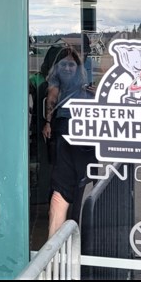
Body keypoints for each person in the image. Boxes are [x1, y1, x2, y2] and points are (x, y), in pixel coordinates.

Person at [41, 45, 96, 237]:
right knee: (87, 183)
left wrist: (48, 122)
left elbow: (52, 97)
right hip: (89, 127)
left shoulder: (57, 69)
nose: (67, 68)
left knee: (61, 189)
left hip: (67, 126)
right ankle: (84, 241)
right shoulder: (91, 66)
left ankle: (52, 250)